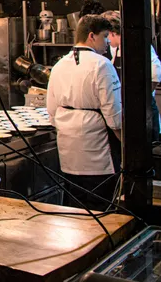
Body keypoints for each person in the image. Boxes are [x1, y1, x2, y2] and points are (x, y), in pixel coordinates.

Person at [47, 15, 122, 209]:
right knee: (101, 209)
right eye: (105, 36)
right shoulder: (102, 65)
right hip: (97, 156)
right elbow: (114, 117)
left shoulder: (59, 66)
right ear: (91, 36)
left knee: (75, 210)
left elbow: (52, 111)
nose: (107, 42)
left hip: (68, 155)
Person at [102, 10, 161, 141]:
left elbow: (156, 72)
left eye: (106, 36)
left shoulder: (136, 44)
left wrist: (139, 98)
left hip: (143, 114)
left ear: (112, 33)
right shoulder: (116, 48)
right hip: (126, 113)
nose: (106, 41)